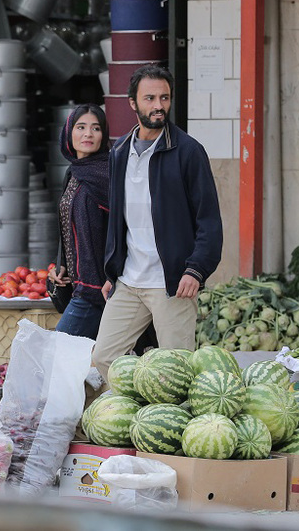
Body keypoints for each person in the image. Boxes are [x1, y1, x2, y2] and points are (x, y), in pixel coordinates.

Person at [92, 64, 223, 381]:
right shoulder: (120, 151)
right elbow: (119, 219)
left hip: (173, 285)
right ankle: (137, 416)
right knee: (103, 359)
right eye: (149, 98)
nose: (158, 106)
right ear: (133, 103)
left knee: (178, 373)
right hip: (129, 281)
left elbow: (209, 221)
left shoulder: (188, 152)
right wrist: (113, 268)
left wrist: (195, 269)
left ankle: (172, 427)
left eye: (164, 98)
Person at [49, 104, 111, 340]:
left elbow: (122, 228)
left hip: (97, 289)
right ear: (69, 133)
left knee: (58, 351)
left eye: (96, 128)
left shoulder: (108, 173)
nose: (88, 134)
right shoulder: (73, 172)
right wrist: (62, 264)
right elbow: (67, 223)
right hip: (78, 286)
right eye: (81, 127)